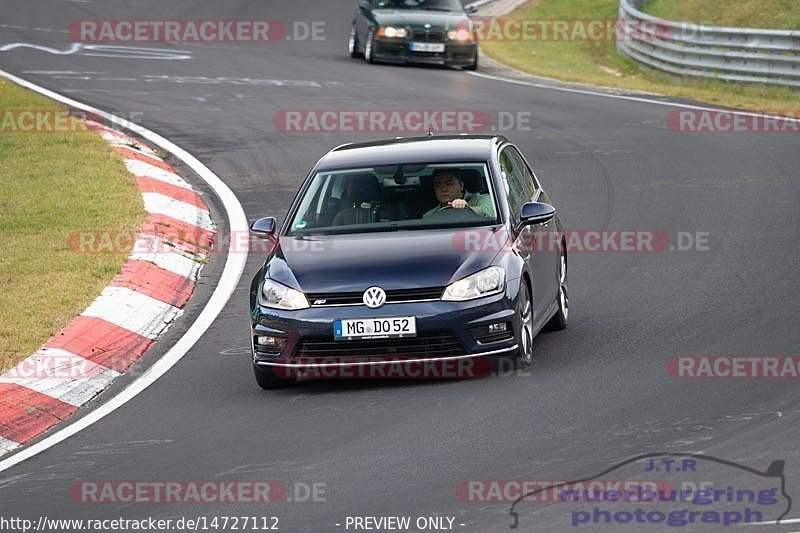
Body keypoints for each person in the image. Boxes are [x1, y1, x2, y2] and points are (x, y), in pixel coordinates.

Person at [422, 169, 494, 218]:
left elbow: (489, 213)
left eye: (449, 184)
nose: (443, 189)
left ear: (461, 186)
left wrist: (467, 208)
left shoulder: (482, 199)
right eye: (438, 185)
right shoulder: (429, 216)